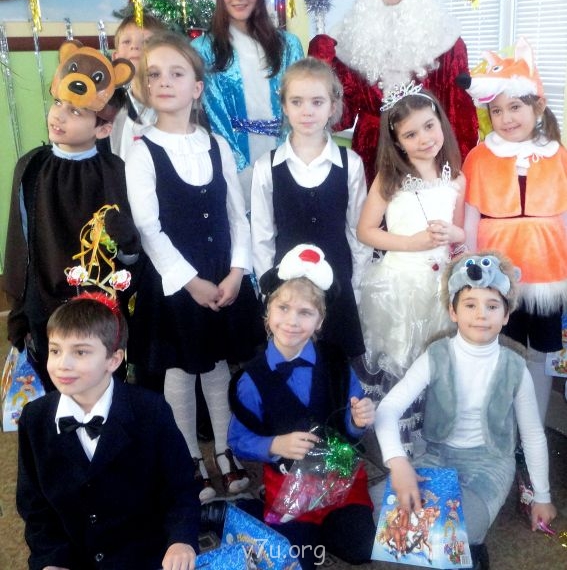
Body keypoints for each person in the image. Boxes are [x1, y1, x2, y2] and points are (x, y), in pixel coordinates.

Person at [124, 31, 264, 502]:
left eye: (176, 73)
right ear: (145, 87)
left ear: (196, 88)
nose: (164, 82)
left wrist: (237, 271)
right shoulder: (142, 151)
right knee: (181, 369)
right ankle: (188, 457)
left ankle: (224, 451)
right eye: (154, 75)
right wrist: (191, 283)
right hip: (176, 283)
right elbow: (148, 228)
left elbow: (236, 214)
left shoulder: (216, 144)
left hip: (222, 275)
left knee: (218, 364)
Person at [373, 252, 557, 570]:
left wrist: (542, 496)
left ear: (506, 315)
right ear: (453, 311)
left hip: (489, 466)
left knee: (444, 526)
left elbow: (532, 436)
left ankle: (468, 548)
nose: (481, 315)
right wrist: (398, 463)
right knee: (380, 508)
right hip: (436, 456)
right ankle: (461, 553)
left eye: (492, 306)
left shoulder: (515, 368)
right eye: (470, 305)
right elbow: (388, 408)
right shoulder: (436, 355)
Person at [16, 293, 200, 570]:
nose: (63, 364)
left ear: (113, 360)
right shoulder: (35, 419)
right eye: (55, 350)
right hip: (73, 560)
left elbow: (181, 486)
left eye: (80, 352)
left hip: (145, 556)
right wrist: (51, 560)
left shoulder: (150, 410)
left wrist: (181, 539)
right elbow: (34, 506)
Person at [228, 244, 376, 570]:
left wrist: (358, 420)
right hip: (288, 488)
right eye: (283, 308)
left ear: (320, 321)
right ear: (268, 312)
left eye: (305, 313)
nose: (292, 322)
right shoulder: (251, 379)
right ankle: (248, 510)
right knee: (297, 562)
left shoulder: (336, 363)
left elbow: (352, 427)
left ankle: (321, 531)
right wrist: (275, 444)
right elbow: (237, 440)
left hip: (340, 479)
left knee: (361, 548)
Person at [4, 40, 140, 391]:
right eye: (58, 104)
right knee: (57, 385)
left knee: (103, 385)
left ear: (103, 128)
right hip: (46, 305)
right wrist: (22, 307)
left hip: (101, 303)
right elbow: (21, 241)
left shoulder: (117, 171)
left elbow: (130, 254)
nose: (59, 116)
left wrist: (128, 244)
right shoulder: (31, 167)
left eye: (76, 112)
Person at [461, 37, 567, 423]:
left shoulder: (558, 155)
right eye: (497, 110)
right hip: (497, 275)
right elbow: (470, 218)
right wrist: (469, 270)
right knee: (502, 351)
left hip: (547, 276)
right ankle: (502, 426)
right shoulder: (479, 157)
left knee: (540, 355)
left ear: (537, 106)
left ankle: (533, 424)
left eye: (515, 107)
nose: (506, 118)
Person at [356, 84, 465, 454]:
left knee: (434, 361)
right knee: (402, 359)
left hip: (440, 286)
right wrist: (412, 242)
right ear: (398, 142)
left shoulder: (456, 177)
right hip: (400, 286)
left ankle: (433, 437)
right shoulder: (389, 180)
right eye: (411, 134)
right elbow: (366, 231)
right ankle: (397, 444)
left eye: (429, 126)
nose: (424, 139)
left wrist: (454, 234)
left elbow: (461, 232)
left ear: (441, 123)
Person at [308, 0, 478, 185]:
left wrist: (455, 177)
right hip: (373, 159)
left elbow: (461, 122)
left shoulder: (447, 40)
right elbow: (341, 118)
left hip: (429, 160)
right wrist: (322, 66)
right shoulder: (346, 39)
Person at [251, 57, 371, 360]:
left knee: (335, 366)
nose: (307, 111)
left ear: (332, 106)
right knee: (289, 364)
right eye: (297, 102)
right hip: (287, 291)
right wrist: (268, 290)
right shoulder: (267, 166)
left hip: (338, 286)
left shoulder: (350, 164)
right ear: (284, 106)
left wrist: (357, 287)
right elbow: (262, 236)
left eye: (317, 102)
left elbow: (358, 232)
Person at [192, 0, 304, 209]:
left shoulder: (288, 45)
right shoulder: (203, 50)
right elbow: (214, 115)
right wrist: (240, 168)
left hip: (285, 157)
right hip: (231, 164)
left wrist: (284, 159)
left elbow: (298, 104)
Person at [107, 13, 166, 159]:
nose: (135, 46)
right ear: (115, 58)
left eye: (146, 41)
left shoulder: (178, 104)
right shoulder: (109, 111)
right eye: (126, 41)